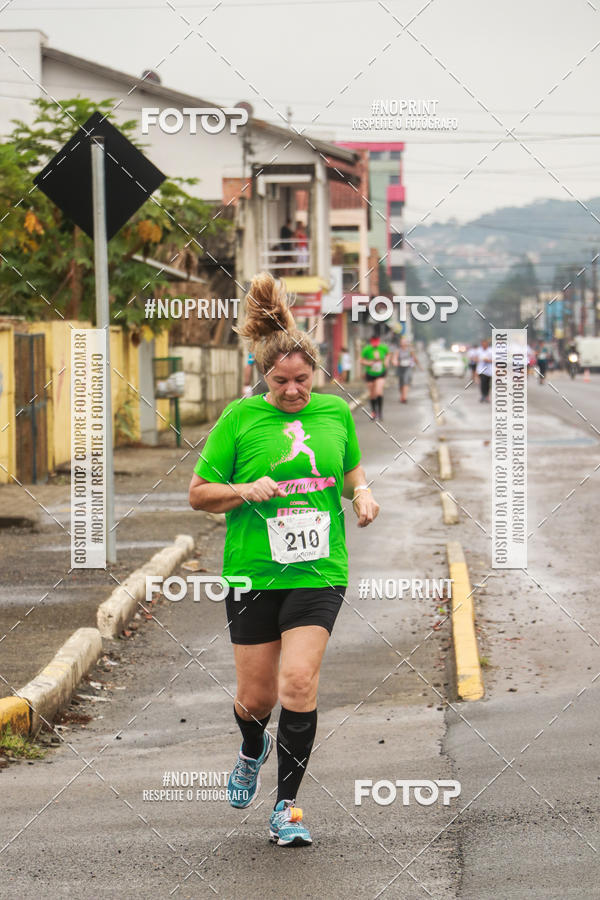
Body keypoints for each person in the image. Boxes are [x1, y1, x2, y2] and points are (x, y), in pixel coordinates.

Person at [188, 272, 380, 847]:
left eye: (303, 379)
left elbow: (349, 471)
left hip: (319, 571)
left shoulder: (335, 414)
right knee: (257, 700)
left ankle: (287, 808)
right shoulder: (240, 420)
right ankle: (252, 746)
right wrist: (246, 490)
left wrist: (363, 493)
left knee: (299, 683)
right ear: (263, 377)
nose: (294, 390)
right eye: (282, 382)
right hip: (252, 572)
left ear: (315, 374)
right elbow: (199, 494)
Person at [360, 334, 389, 421]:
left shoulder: (383, 347)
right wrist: (369, 363)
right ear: (371, 341)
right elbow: (361, 360)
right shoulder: (367, 349)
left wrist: (386, 361)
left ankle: (380, 413)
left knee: (379, 392)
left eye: (377, 342)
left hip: (381, 373)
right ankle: (373, 412)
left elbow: (388, 355)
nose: (375, 344)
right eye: (374, 342)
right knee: (372, 394)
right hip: (370, 373)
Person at [392, 336, 420, 403]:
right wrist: (395, 362)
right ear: (400, 343)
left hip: (408, 368)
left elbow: (414, 358)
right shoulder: (398, 350)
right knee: (401, 383)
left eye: (405, 342)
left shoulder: (410, 350)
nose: (404, 343)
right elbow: (394, 358)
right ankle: (402, 395)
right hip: (400, 368)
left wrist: (419, 366)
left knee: (406, 381)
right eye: (402, 342)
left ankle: (404, 397)